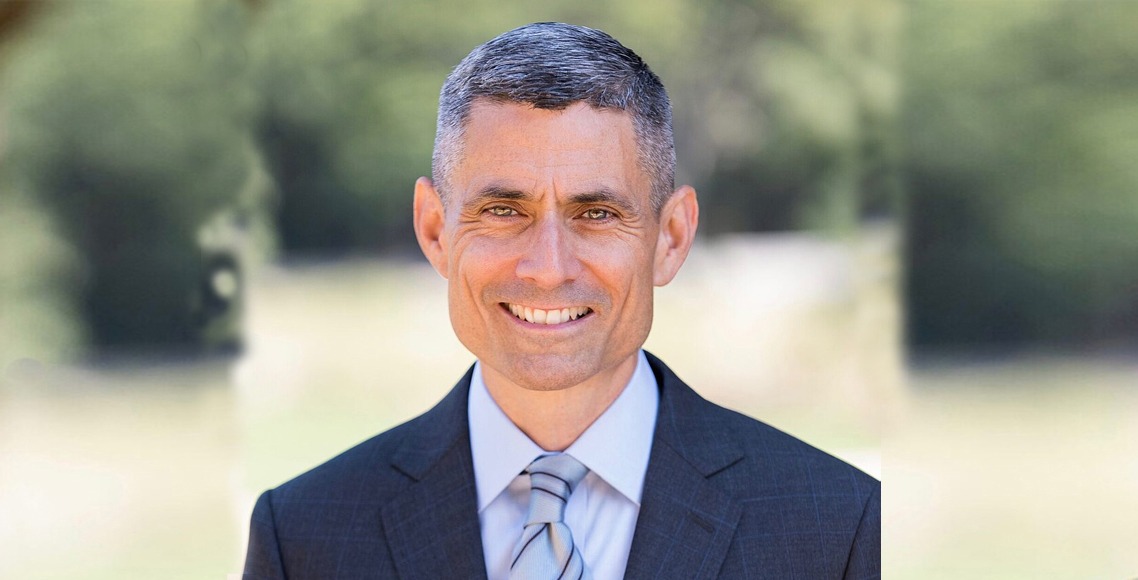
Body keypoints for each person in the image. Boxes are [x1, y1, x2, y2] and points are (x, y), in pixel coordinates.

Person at [242, 22, 880, 580]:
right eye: (503, 210)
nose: (548, 269)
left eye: (596, 214)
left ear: (671, 238)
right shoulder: (303, 537)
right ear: (435, 231)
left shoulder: (836, 529)